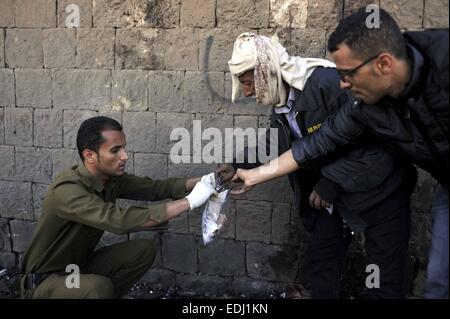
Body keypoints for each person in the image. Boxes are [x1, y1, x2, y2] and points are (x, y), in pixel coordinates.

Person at [232, 8, 448, 299]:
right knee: (437, 282)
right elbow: (317, 143)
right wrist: (248, 170)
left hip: (382, 194)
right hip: (347, 199)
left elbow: (382, 151)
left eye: (347, 74)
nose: (342, 83)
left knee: (389, 280)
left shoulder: (329, 85)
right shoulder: (362, 104)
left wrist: (332, 180)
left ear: (383, 63)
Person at [20, 116, 216, 299]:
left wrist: (209, 180)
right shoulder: (67, 190)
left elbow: (156, 188)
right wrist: (190, 202)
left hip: (77, 269)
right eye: (115, 150)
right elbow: (118, 220)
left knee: (142, 250)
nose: (124, 156)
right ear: (90, 155)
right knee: (98, 287)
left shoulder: (109, 179)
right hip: (45, 283)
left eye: (124, 148)